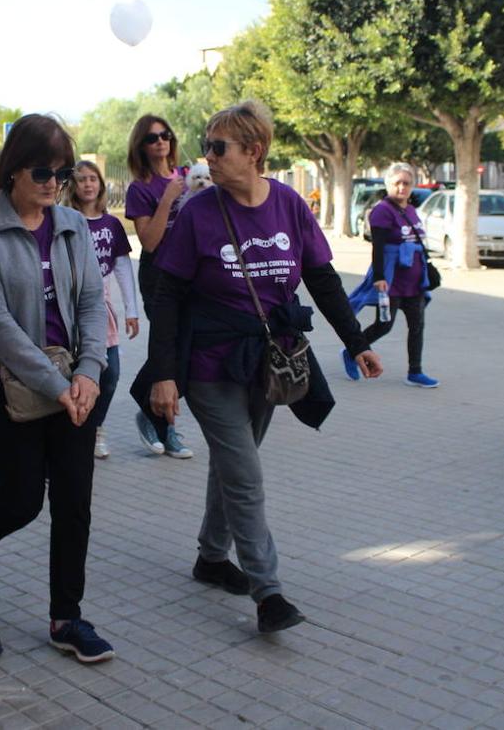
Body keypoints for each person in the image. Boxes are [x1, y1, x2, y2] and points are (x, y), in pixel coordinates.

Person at [144, 101, 384, 634]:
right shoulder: (198, 213)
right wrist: (163, 374)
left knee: (235, 464)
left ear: (253, 152)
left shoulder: (290, 205)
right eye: (206, 145)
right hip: (209, 365)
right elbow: (167, 297)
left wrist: (357, 342)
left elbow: (322, 279)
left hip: (269, 362)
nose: (206, 156)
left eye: (218, 147)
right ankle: (268, 591)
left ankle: (211, 557)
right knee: (246, 475)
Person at [0, 114, 113, 664]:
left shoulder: (73, 224)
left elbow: (94, 303)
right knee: (22, 500)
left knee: (74, 504)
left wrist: (89, 372)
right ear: (12, 171)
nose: (54, 183)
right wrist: (56, 384)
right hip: (14, 391)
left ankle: (66, 617)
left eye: (64, 172)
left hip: (76, 387)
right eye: (43, 171)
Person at [124, 114, 192, 458]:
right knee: (170, 345)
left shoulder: (187, 176)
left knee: (186, 346)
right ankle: (167, 427)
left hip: (191, 273)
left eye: (165, 135)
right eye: (152, 138)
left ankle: (151, 410)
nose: (161, 141)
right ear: (141, 146)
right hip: (159, 274)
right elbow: (148, 242)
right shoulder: (141, 188)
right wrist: (167, 198)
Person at [66, 160, 140, 459]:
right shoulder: (65, 220)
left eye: (92, 179)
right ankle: (75, 431)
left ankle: (96, 427)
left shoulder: (111, 225)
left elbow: (122, 268)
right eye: (81, 179)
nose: (87, 184)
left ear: (100, 184)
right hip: (70, 311)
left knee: (111, 374)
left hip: (104, 311)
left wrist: (132, 310)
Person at [344, 162, 438, 388]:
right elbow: (377, 247)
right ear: (388, 185)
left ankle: (415, 372)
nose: (402, 187)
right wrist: (379, 277)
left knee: (417, 326)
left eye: (406, 183)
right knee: (384, 325)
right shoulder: (382, 211)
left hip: (414, 282)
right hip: (391, 281)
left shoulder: (411, 210)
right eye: (397, 183)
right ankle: (352, 352)